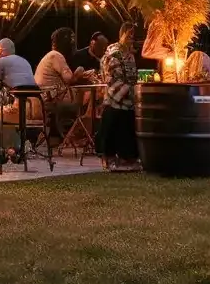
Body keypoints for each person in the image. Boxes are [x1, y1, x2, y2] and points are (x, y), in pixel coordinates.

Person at [98, 22, 142, 172]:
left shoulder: (129, 54)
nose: (131, 39)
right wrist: (125, 90)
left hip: (127, 96)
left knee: (127, 124)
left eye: (133, 37)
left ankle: (127, 156)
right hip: (116, 95)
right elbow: (112, 75)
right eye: (129, 36)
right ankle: (109, 156)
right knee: (113, 123)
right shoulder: (114, 53)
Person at [35, 27, 92, 137]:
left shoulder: (51, 55)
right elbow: (70, 79)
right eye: (71, 41)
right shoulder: (56, 56)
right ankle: (82, 133)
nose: (73, 45)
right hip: (53, 99)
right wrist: (80, 71)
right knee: (92, 95)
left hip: (46, 97)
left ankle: (77, 131)